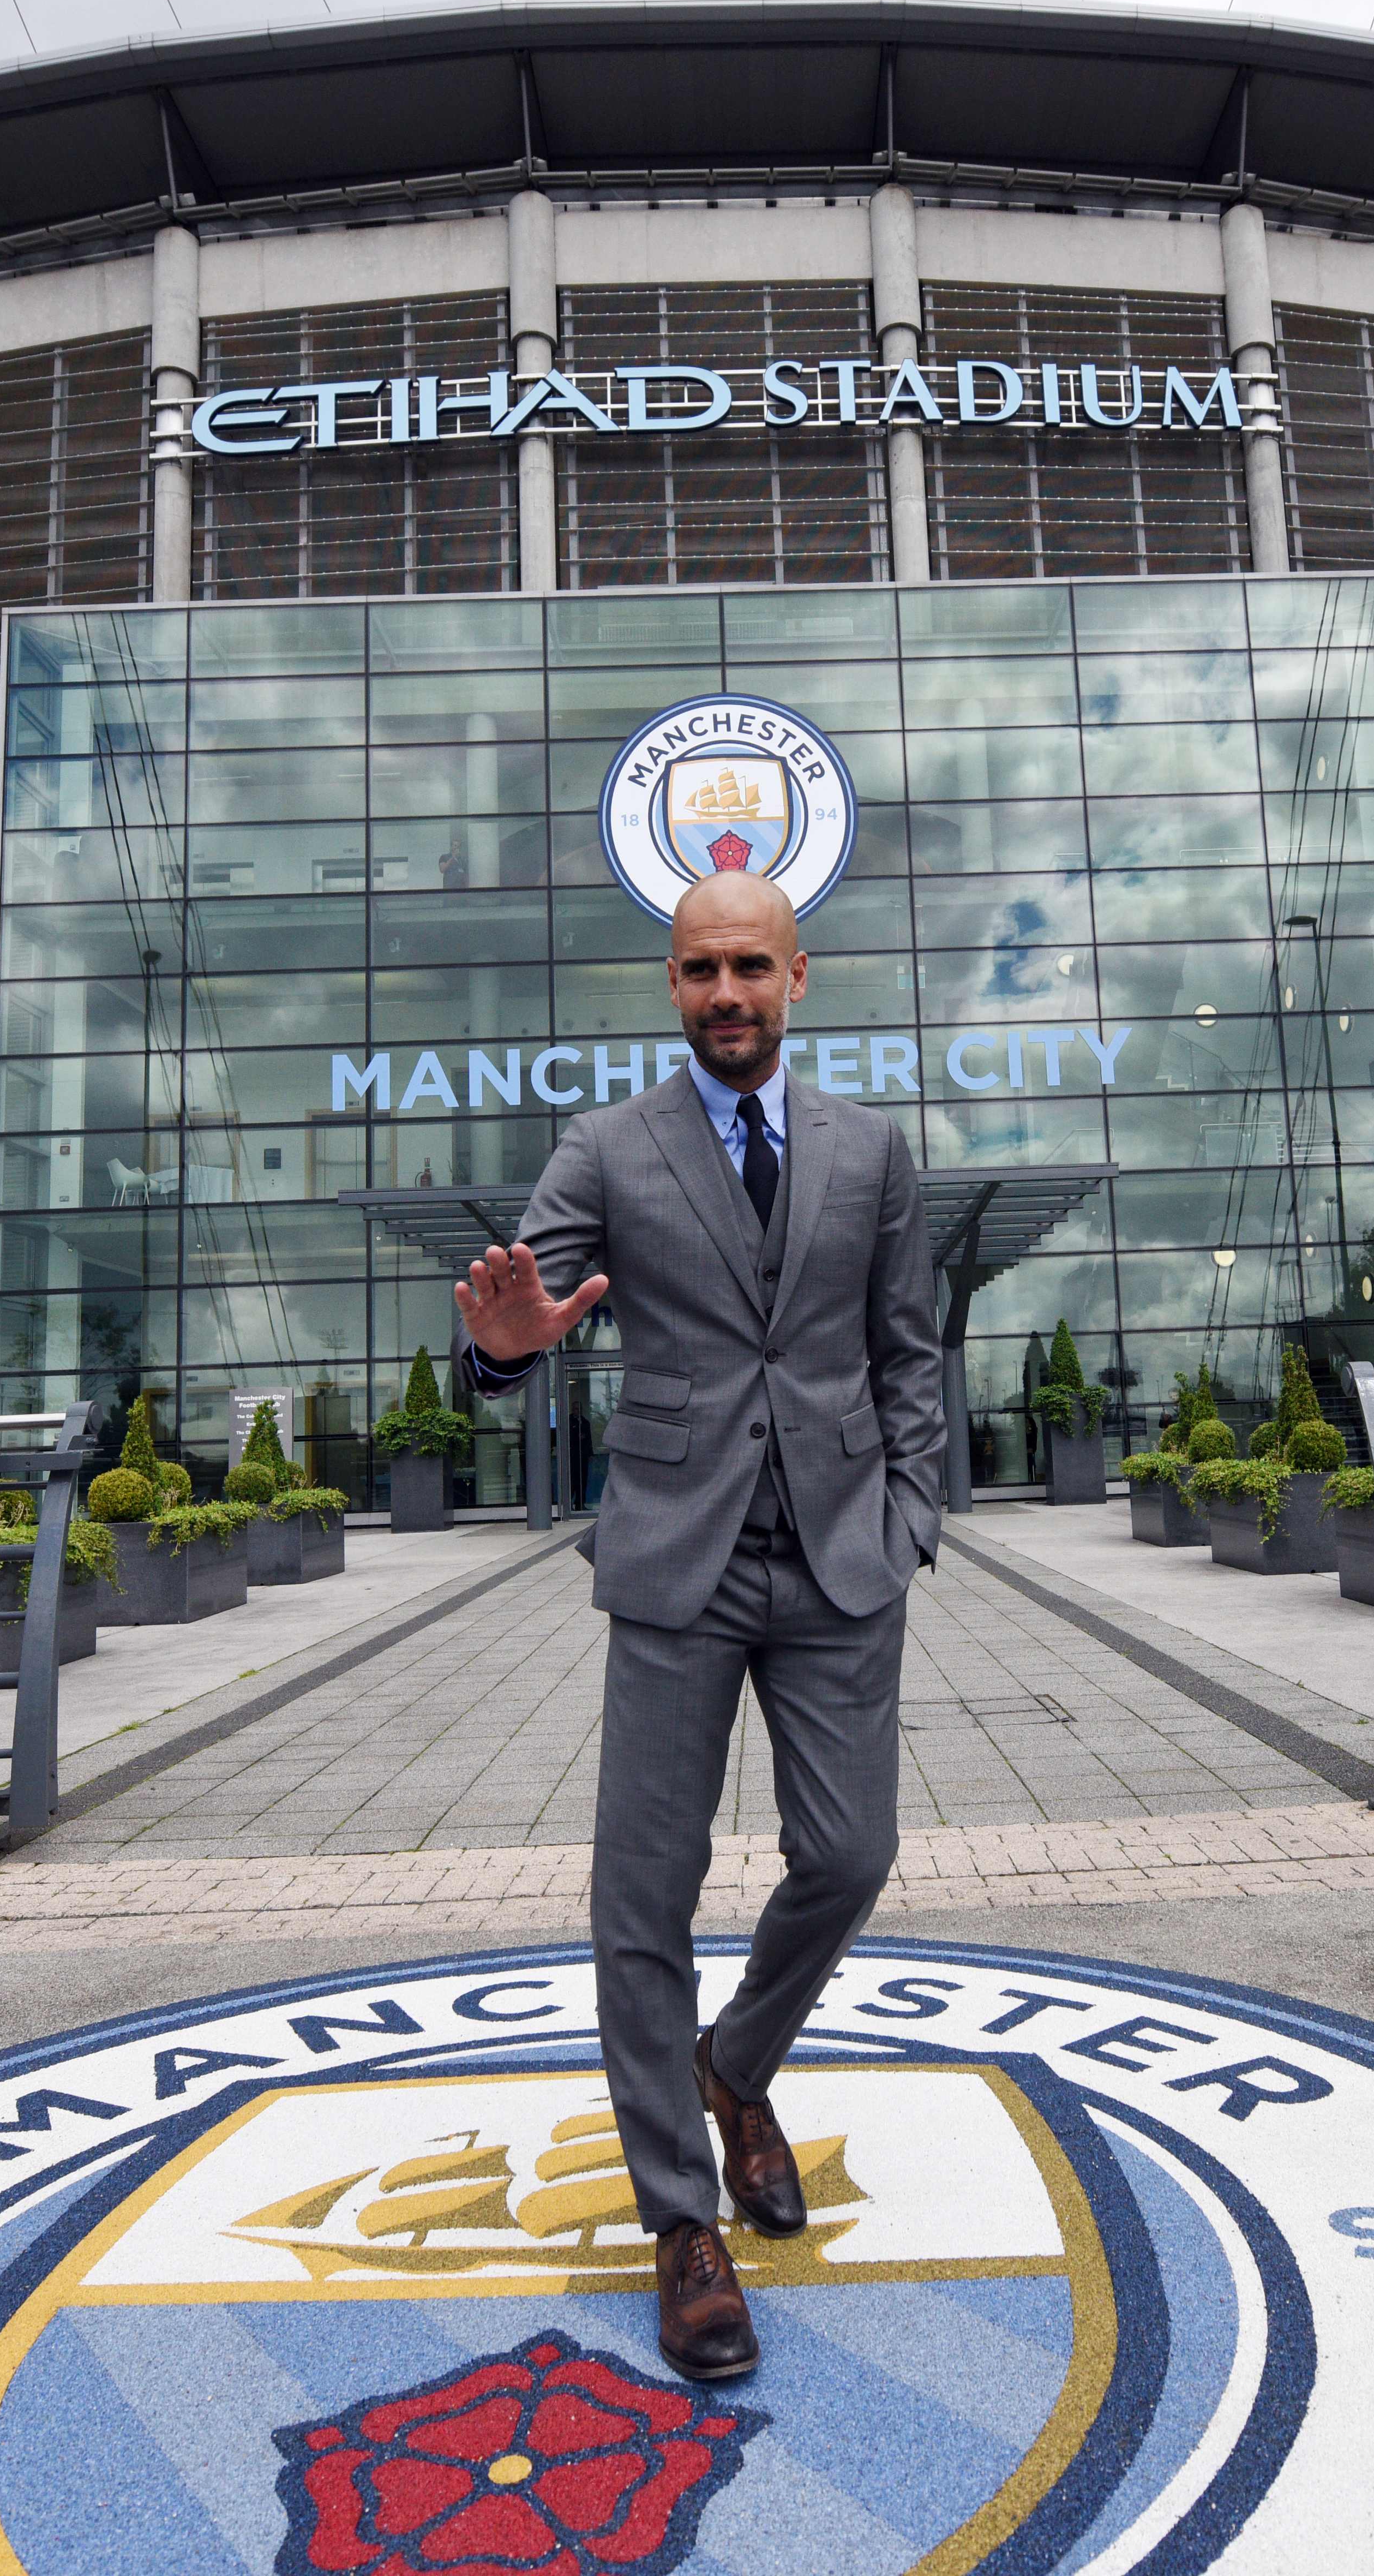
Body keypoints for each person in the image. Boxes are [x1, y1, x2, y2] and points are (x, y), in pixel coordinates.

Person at [454, 869, 944, 2380]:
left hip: (839, 1556)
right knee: (640, 1899)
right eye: (696, 972)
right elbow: (517, 1309)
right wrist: (501, 1355)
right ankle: (681, 2220)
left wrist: (911, 1513)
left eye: (749, 967)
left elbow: (910, 1349)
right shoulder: (610, 1143)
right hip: (677, 1557)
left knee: (852, 1854)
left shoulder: (872, 1150)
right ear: (670, 986)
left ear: (802, 976)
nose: (723, 994)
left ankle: (736, 2067)